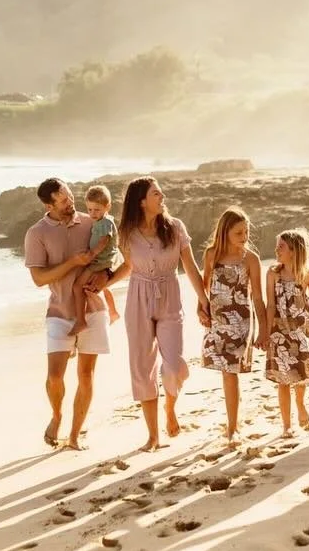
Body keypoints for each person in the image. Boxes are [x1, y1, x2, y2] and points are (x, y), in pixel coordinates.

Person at [92, 177, 209, 452]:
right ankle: (153, 436)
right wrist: (103, 284)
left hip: (169, 296)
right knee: (143, 369)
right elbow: (128, 267)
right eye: (156, 193)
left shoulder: (175, 227)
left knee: (174, 365)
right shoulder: (127, 233)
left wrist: (204, 301)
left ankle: (170, 407)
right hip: (138, 298)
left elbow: (190, 267)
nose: (162, 196)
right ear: (142, 201)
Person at [23, 177, 110, 450]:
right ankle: (57, 415)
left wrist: (105, 278)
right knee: (56, 376)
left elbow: (112, 255)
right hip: (59, 311)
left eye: (70, 196)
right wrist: (72, 262)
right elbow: (39, 279)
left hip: (93, 310)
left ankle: (74, 435)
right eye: (62, 201)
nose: (70, 203)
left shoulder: (91, 222)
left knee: (86, 375)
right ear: (48, 205)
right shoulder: (36, 233)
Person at [198, 206, 267, 447]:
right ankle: (233, 424)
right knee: (225, 372)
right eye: (239, 233)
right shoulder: (211, 255)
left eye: (246, 232)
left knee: (231, 373)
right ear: (225, 232)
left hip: (241, 322)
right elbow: (205, 287)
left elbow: (258, 297)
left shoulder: (251, 259)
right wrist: (200, 307)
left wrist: (264, 329)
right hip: (217, 322)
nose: (244, 237)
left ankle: (232, 427)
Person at [264, 228, 309, 437]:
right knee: (282, 379)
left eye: (281, 246)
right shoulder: (273, 273)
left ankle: (300, 402)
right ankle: (287, 425)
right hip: (279, 330)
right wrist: (267, 332)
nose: (276, 250)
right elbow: (270, 304)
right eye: (277, 246)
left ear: (294, 251)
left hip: (302, 329)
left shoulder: (307, 274)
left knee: (300, 372)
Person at [70, 185, 121, 335]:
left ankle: (81, 321)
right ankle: (113, 312)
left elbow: (104, 240)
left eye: (97, 210)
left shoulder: (105, 223)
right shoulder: (103, 220)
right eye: (89, 209)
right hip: (102, 260)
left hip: (99, 262)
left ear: (108, 207)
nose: (92, 213)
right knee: (100, 287)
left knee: (77, 286)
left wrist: (92, 254)